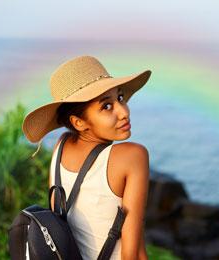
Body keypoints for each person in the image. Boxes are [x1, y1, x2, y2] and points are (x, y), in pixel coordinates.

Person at [22, 55, 152, 260]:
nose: (123, 111)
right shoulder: (133, 156)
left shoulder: (61, 146)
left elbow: (58, 217)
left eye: (119, 98)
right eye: (106, 106)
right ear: (79, 123)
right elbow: (133, 253)